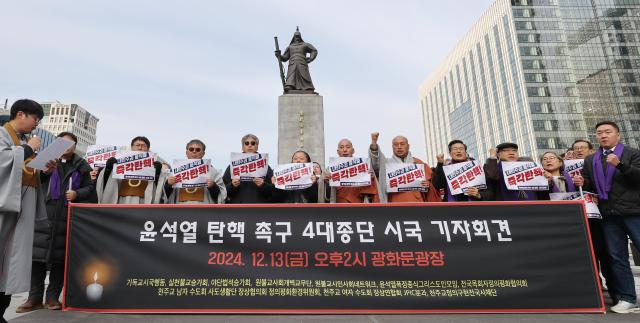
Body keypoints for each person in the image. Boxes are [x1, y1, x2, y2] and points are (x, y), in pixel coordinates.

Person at [17, 132, 94, 312]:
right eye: (63, 142)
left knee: (60, 259)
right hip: (43, 215)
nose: (67, 146)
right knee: (37, 258)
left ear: (75, 146)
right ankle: (33, 298)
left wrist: (77, 194)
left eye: (71, 143)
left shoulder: (82, 165)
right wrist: (45, 172)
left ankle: (52, 298)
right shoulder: (45, 159)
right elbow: (34, 180)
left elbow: (90, 188)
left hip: (67, 217)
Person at [573, 121, 640, 313]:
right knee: (616, 256)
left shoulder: (632, 153)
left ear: (618, 135)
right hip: (608, 214)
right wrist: (582, 181)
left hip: (634, 211)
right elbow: (590, 185)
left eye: (608, 132)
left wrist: (620, 165)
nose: (603, 135)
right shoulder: (591, 159)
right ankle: (627, 298)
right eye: (599, 133)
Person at [0, 99, 56, 322]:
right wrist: (26, 149)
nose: (36, 124)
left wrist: (44, 171)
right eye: (35, 119)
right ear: (20, 114)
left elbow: (26, 173)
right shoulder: (4, 135)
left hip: (20, 210)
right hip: (5, 207)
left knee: (12, 265)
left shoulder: (23, 142)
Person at [369, 132, 440, 203]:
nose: (399, 147)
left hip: (417, 203)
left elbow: (434, 184)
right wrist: (374, 145)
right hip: (394, 204)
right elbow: (376, 163)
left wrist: (428, 185)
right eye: (396, 145)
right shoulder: (387, 164)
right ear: (392, 147)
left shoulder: (418, 163)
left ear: (408, 146)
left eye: (402, 144)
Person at [97, 136, 165, 204]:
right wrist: (109, 168)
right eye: (137, 145)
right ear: (132, 147)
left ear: (148, 149)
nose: (140, 148)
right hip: (123, 199)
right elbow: (108, 182)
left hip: (143, 200)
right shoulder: (121, 162)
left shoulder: (152, 166)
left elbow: (160, 185)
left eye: (143, 146)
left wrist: (158, 172)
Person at [164, 139, 226, 204]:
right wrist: (168, 184)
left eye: (198, 150)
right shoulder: (175, 171)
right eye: (191, 149)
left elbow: (222, 196)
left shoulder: (213, 172)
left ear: (203, 153)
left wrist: (213, 186)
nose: (194, 151)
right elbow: (164, 195)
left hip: (203, 210)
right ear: (186, 153)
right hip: (181, 210)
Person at [223, 134, 275, 204]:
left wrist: (263, 185)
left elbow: (273, 192)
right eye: (246, 143)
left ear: (257, 147)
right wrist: (232, 185)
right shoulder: (232, 166)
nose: (250, 145)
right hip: (238, 209)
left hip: (259, 209)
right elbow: (223, 191)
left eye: (253, 143)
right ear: (242, 147)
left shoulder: (266, 167)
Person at [324, 139, 379, 203]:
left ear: (353, 151)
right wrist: (327, 182)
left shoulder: (362, 166)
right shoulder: (330, 169)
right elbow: (326, 195)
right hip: (338, 205)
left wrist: (371, 178)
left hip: (358, 204)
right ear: (338, 152)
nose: (344, 150)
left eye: (348, 147)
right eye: (341, 147)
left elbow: (370, 192)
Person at [276, 27, 318, 92]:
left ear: (300, 37)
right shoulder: (290, 47)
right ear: (294, 37)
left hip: (302, 62)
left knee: (304, 74)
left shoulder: (305, 45)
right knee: (291, 74)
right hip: (292, 62)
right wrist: (279, 55)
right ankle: (290, 86)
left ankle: (307, 87)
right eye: (296, 36)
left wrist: (311, 58)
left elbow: (314, 50)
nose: (297, 38)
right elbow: (285, 58)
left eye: (298, 36)